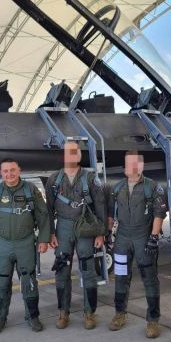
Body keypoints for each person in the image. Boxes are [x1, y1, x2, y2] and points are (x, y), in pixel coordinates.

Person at [0, 158, 50, 334]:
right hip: (2, 244)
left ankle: (32, 316)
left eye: (12, 170)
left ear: (19, 171)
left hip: (25, 243)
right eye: (5, 171)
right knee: (1, 283)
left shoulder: (30, 190)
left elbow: (42, 215)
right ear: (1, 173)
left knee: (29, 281)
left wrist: (43, 239)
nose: (9, 174)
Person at [46, 141, 106, 330]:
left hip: (85, 227)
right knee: (61, 271)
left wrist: (101, 233)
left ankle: (89, 313)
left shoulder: (90, 178)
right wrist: (50, 233)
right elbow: (48, 209)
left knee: (88, 270)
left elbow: (100, 206)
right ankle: (63, 312)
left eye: (74, 152)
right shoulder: (54, 179)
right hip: (63, 227)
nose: (71, 155)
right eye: (67, 152)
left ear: (79, 155)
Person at [107, 151, 167, 338]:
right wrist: (108, 233)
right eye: (127, 163)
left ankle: (153, 320)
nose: (130, 167)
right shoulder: (117, 188)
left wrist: (154, 237)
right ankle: (119, 314)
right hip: (122, 238)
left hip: (143, 237)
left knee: (149, 279)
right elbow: (110, 214)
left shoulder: (152, 187)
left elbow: (159, 213)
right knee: (121, 277)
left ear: (141, 166)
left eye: (134, 163)